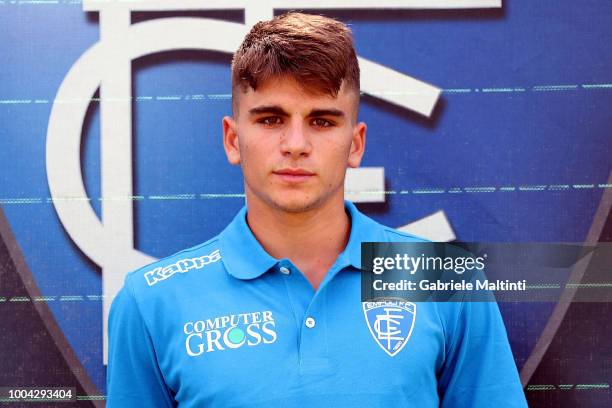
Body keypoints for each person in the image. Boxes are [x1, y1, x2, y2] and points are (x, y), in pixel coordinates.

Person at [106, 12, 527, 407]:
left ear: (356, 144)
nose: (295, 144)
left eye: (322, 121)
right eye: (271, 119)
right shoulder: (152, 301)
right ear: (233, 139)